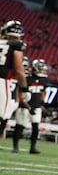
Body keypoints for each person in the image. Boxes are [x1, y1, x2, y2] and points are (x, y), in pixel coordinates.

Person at [0, 20, 28, 149]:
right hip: (2, 81)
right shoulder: (16, 45)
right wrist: (25, 88)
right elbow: (18, 70)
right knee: (2, 117)